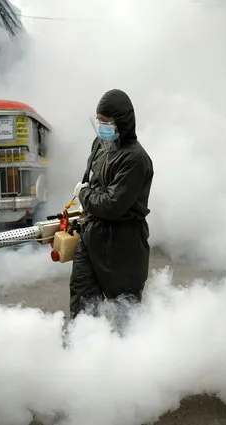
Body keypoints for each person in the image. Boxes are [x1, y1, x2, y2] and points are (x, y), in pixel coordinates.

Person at [69, 89, 154, 319]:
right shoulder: (99, 145)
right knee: (83, 309)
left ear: (122, 122)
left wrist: (84, 195)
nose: (101, 127)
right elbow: (90, 179)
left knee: (124, 316)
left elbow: (112, 205)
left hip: (123, 246)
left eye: (106, 122)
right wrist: (85, 197)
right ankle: (82, 349)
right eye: (99, 121)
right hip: (91, 238)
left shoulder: (135, 159)